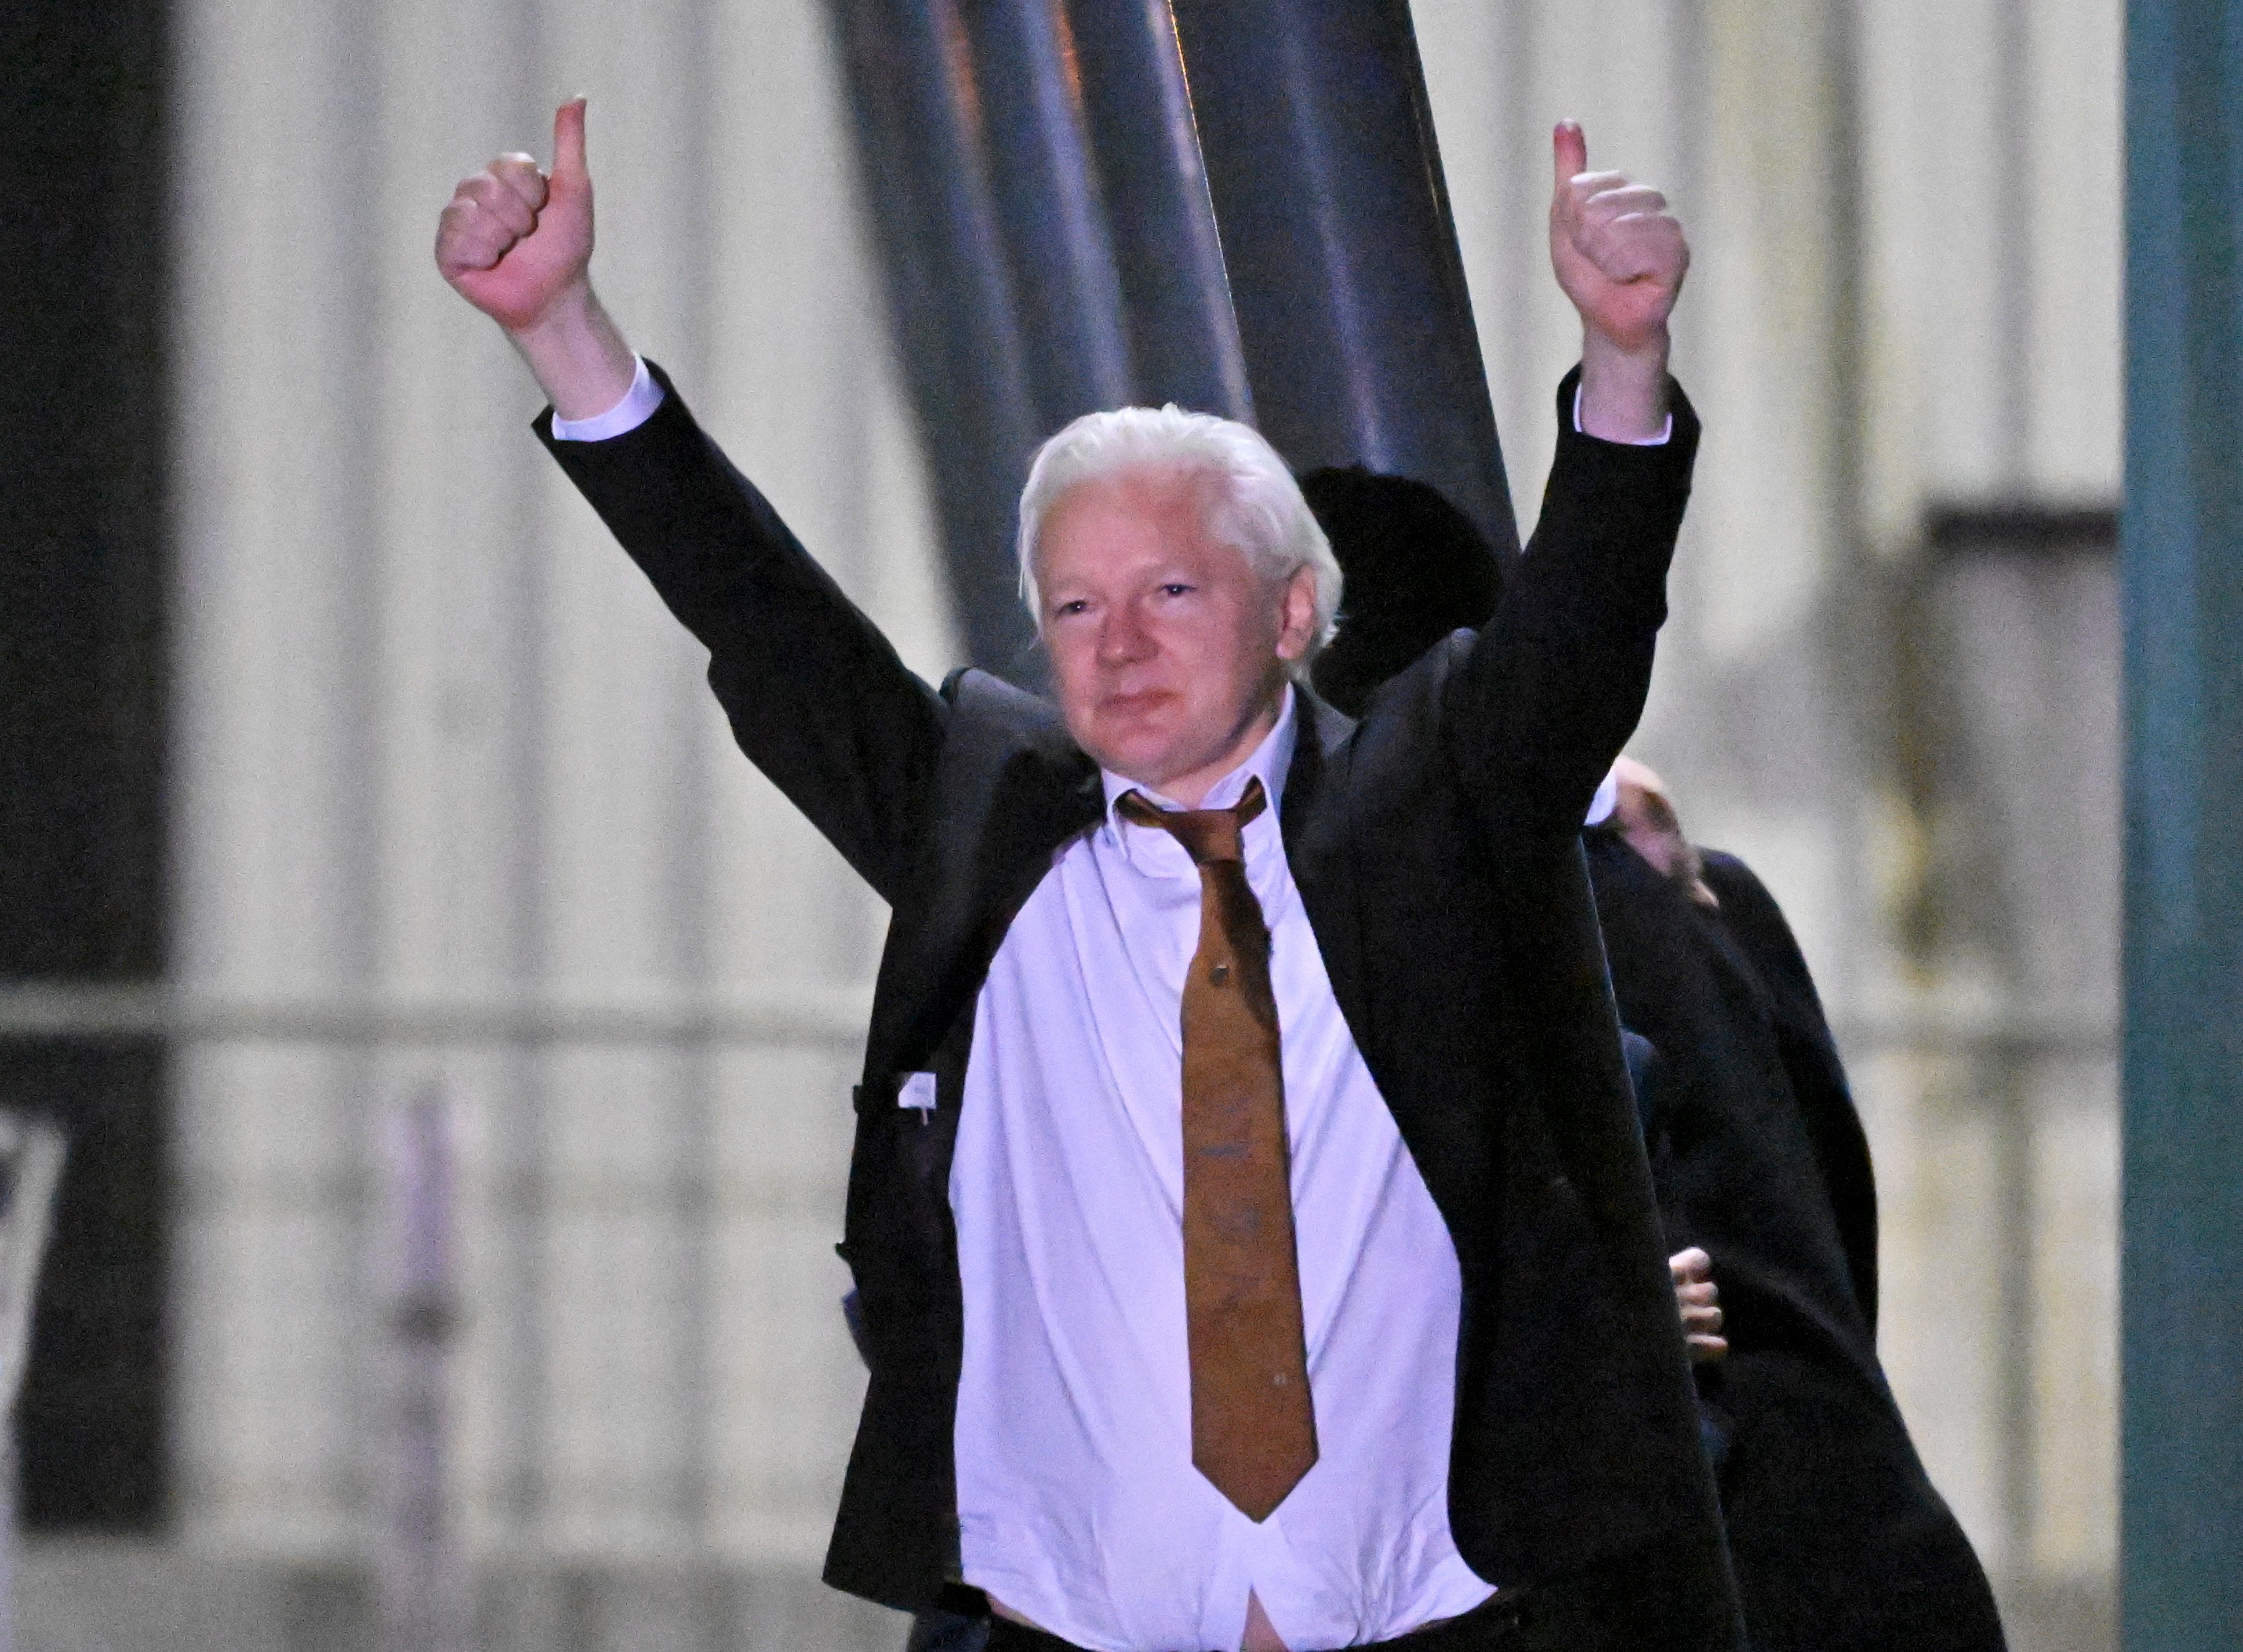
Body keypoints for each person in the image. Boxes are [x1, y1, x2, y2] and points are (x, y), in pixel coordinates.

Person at [437, 99, 1737, 1652]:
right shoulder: (982, 824)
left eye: (1170, 590)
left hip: (1436, 1619)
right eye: (1071, 606)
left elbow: (1579, 636)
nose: (1114, 644)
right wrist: (564, 330)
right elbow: (769, 624)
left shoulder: (1423, 807)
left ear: (1289, 612)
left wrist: (1620, 366)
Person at [1300, 471, 2006, 1652]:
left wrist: (1594, 1311)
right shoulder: (1709, 899)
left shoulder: (1412, 946)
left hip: (1690, 1594)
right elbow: (1829, 1233)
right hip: (1877, 1558)